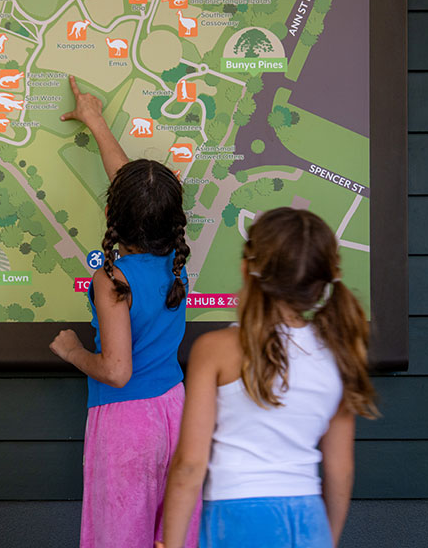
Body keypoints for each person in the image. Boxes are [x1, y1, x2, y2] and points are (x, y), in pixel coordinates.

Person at [155, 207, 378, 548]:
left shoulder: (215, 350)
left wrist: (170, 545)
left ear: (247, 269)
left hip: (236, 520)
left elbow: (189, 465)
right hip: (308, 520)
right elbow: (340, 470)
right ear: (322, 282)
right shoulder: (340, 352)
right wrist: (326, 538)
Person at [49, 75, 201, 548]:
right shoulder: (173, 257)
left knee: (122, 535)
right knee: (171, 534)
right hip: (174, 413)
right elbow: (134, 192)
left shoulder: (113, 281)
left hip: (126, 429)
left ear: (116, 214)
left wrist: (72, 350)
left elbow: (116, 370)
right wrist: (95, 121)